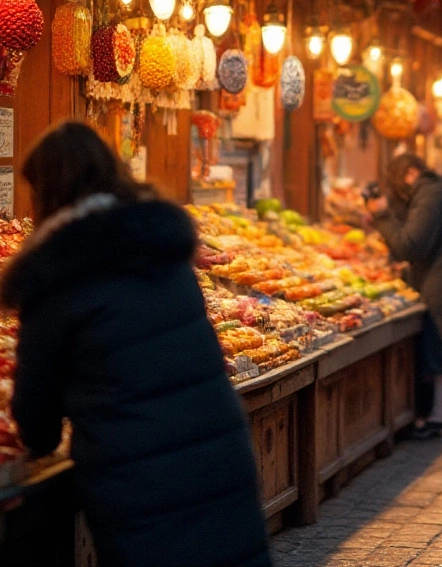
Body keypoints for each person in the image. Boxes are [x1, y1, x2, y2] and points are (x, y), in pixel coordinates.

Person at [1, 122, 271, 567]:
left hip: (137, 472)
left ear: (47, 192)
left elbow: (37, 421)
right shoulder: (163, 250)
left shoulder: (54, 278)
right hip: (216, 451)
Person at [368, 154, 442, 439]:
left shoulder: (430, 196)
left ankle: (439, 419)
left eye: (399, 183)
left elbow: (410, 246)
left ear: (410, 173)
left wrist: (382, 215)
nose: (401, 192)